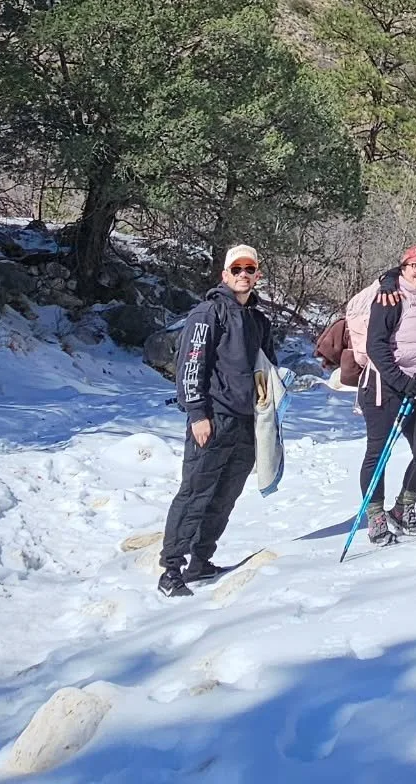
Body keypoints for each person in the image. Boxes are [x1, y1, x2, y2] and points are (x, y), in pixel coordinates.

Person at [158, 244, 275, 597]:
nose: (243, 275)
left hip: (247, 423)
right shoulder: (207, 313)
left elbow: (268, 371)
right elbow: (190, 365)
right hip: (213, 419)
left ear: (257, 275)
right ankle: (171, 570)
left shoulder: (259, 321)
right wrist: (197, 413)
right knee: (195, 492)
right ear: (225, 275)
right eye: (236, 269)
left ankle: (201, 560)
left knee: (225, 496)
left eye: (249, 269)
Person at [351, 245, 416, 546]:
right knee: (378, 454)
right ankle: (375, 516)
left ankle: (403, 508)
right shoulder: (389, 298)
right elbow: (376, 346)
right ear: (404, 268)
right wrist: (401, 381)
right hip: (384, 387)